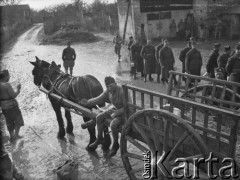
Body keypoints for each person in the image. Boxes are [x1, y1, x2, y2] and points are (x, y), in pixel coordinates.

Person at [80, 76, 132, 157]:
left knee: (113, 124)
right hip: (114, 109)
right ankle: (99, 138)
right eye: (107, 86)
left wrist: (117, 113)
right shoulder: (108, 91)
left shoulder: (122, 91)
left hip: (125, 113)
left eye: (111, 86)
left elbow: (128, 107)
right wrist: (87, 102)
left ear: (115, 83)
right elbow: (98, 99)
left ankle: (115, 144)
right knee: (98, 117)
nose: (109, 88)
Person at [0, 70, 24, 142]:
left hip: (4, 108)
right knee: (18, 120)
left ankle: (12, 136)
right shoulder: (7, 85)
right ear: (5, 76)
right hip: (12, 107)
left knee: (9, 122)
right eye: (9, 75)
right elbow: (14, 95)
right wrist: (18, 89)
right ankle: (15, 136)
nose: (9, 76)